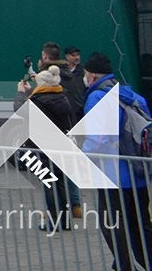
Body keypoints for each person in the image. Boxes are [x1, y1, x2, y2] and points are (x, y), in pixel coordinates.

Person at [83, 51, 152, 270]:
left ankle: (124, 266)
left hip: (112, 174)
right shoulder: (134, 96)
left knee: (111, 222)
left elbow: (97, 139)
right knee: (140, 224)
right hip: (139, 172)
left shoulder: (97, 97)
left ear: (92, 75)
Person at [18, 64, 74, 231]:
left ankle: (54, 221)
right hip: (60, 146)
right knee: (61, 183)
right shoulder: (62, 97)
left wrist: (21, 93)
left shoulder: (38, 101)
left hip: (40, 148)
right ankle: (65, 221)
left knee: (49, 183)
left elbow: (19, 110)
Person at [61, 46, 87, 218]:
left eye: (78, 54)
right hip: (66, 122)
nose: (76, 57)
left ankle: (74, 203)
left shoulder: (82, 73)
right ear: (66, 57)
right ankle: (73, 204)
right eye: (73, 55)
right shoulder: (61, 74)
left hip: (77, 120)